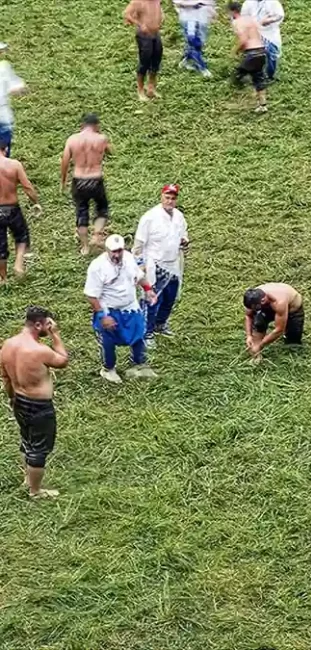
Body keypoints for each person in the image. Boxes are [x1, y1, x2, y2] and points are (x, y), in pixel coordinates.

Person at [1, 306, 69, 499]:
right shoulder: (39, 350)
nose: (48, 328)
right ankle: (35, 491)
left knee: (27, 440)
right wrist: (55, 335)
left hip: (19, 400)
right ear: (38, 324)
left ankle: (28, 479)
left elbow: (5, 377)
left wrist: (12, 398)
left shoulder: (8, 344)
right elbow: (63, 361)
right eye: (47, 325)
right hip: (39, 406)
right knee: (39, 448)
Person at [85, 235, 158, 383]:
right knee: (108, 340)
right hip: (109, 309)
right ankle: (108, 368)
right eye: (113, 251)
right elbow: (92, 295)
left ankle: (139, 364)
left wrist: (148, 289)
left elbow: (139, 276)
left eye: (119, 251)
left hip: (130, 306)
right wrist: (103, 316)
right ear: (107, 250)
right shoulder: (97, 267)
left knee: (139, 334)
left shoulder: (129, 259)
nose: (117, 255)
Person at [134, 184, 189, 347]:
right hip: (155, 264)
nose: (170, 201)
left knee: (170, 297)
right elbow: (138, 245)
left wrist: (184, 241)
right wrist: (140, 265)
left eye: (173, 198)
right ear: (161, 196)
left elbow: (183, 233)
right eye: (167, 197)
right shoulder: (150, 218)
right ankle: (147, 331)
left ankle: (160, 324)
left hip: (173, 263)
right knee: (152, 299)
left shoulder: (179, 216)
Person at [60, 113, 112, 255]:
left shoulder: (72, 139)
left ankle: (85, 247)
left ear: (82, 125)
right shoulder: (101, 139)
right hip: (96, 179)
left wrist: (63, 181)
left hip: (79, 179)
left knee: (81, 211)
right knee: (102, 208)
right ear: (97, 125)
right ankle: (96, 235)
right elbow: (110, 151)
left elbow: (64, 161)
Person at [0, 148, 41, 282]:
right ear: (4, 149)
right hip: (12, 208)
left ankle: (3, 278)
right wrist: (36, 202)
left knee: (1, 245)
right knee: (21, 236)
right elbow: (27, 186)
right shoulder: (14, 165)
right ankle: (18, 264)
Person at [243, 283, 304, 360]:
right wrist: (249, 336)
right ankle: (256, 355)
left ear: (263, 300)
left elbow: (279, 330)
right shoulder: (252, 299)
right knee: (258, 324)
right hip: (266, 306)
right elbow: (248, 316)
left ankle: (293, 352)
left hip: (292, 309)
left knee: (293, 339)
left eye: (255, 308)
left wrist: (262, 344)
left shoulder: (279, 302)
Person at [227, 3, 269, 113]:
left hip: (252, 53)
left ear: (233, 12)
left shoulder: (237, 22)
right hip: (261, 52)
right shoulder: (250, 19)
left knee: (237, 75)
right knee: (258, 78)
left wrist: (235, 51)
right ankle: (262, 105)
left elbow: (244, 40)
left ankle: (237, 96)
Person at [124, 0, 164, 101]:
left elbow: (158, 9)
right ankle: (140, 91)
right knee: (144, 62)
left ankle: (151, 87)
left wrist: (162, 17)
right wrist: (140, 24)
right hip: (144, 35)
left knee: (156, 59)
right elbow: (127, 14)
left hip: (156, 33)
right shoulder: (139, 1)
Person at [241, 0, 285, 81]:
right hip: (254, 33)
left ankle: (270, 75)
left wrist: (270, 20)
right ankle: (252, 74)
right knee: (253, 54)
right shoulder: (248, 3)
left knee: (272, 55)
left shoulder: (273, 2)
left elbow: (280, 15)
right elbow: (244, 17)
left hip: (270, 34)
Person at [0, 43, 28, 158]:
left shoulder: (3, 68)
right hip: (3, 120)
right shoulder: (3, 68)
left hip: (3, 119)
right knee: (3, 156)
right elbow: (17, 87)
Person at [173, 0, 215, 77]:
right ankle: (203, 69)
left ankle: (186, 60)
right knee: (193, 41)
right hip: (189, 18)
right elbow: (177, 2)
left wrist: (211, 11)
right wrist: (195, 4)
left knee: (199, 43)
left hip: (201, 17)